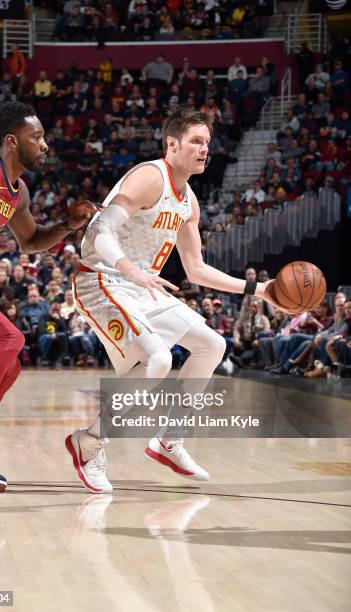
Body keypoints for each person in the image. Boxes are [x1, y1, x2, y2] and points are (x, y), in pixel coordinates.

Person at [65, 106, 280, 494]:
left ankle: (167, 440)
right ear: (172, 144)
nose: (204, 150)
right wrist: (131, 269)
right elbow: (99, 229)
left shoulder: (189, 202)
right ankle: (88, 441)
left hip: (142, 287)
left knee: (212, 345)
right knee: (159, 359)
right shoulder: (150, 177)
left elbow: (196, 269)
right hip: (102, 280)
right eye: (196, 141)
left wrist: (259, 290)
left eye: (207, 143)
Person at [0, 101, 96, 494]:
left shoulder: (19, 192)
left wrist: (67, 224)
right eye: (37, 137)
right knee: (9, 338)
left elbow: (30, 242)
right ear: (12, 142)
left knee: (8, 364)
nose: (45, 144)